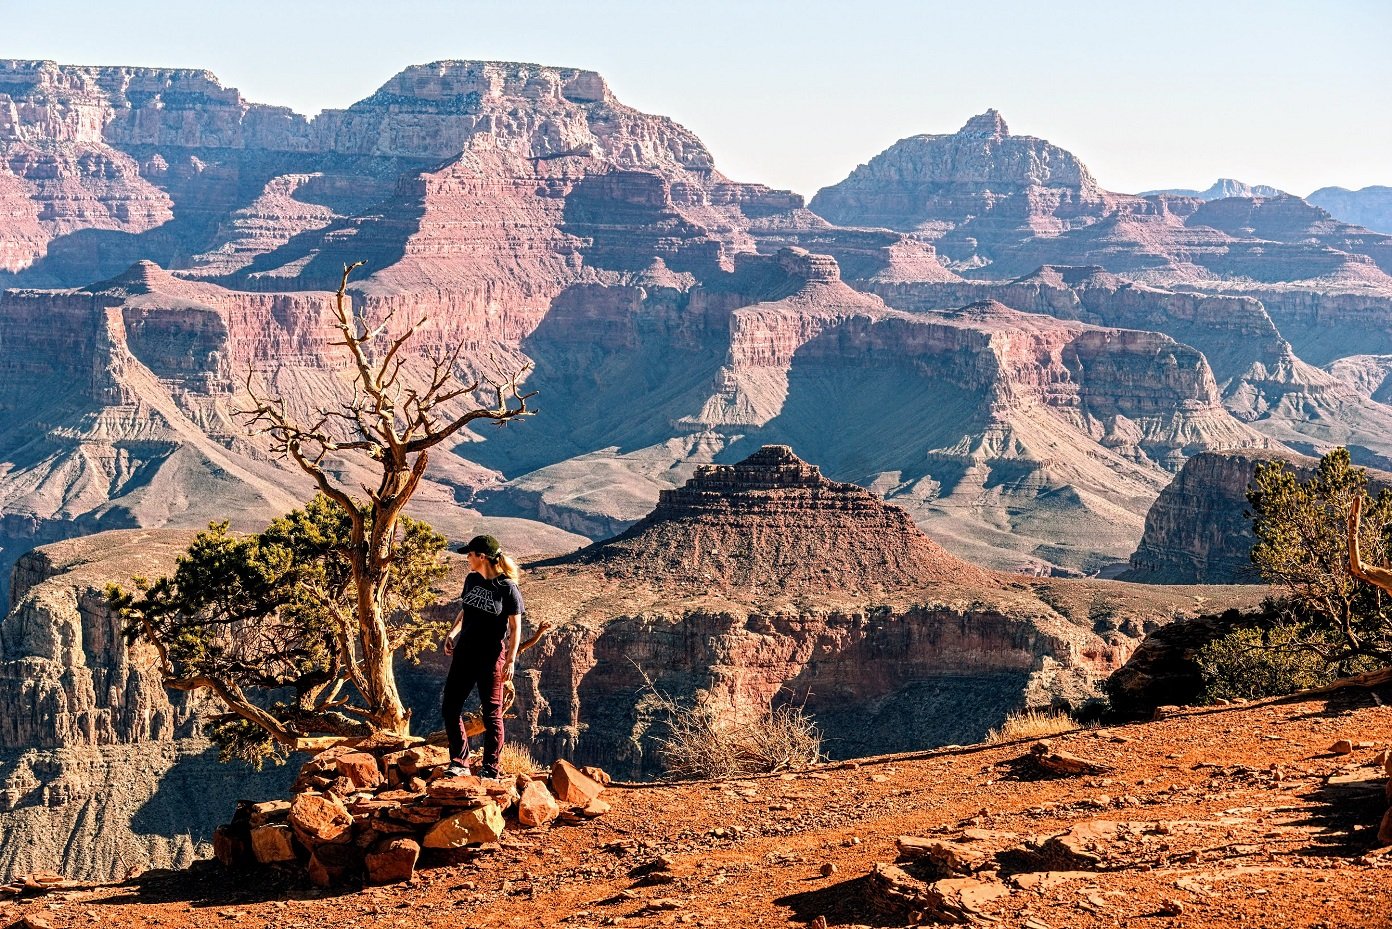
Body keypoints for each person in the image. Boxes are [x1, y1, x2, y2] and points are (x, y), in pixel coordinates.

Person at [441, 534, 523, 780]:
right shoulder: (471, 580)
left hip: (491, 658)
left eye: (470, 554)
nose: (467, 558)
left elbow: (516, 627)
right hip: (464, 653)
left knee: (491, 713)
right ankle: (459, 762)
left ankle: (491, 768)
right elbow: (465, 611)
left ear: (481, 557)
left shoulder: (507, 588)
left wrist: (510, 660)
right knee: (450, 707)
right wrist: (452, 633)